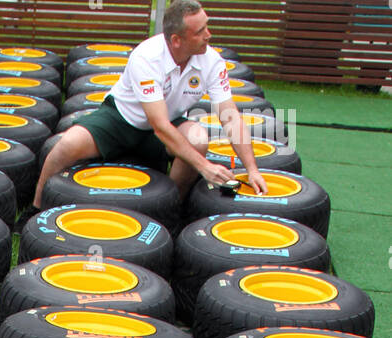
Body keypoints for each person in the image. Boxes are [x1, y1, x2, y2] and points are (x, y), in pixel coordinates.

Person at [32, 0, 268, 211]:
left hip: (168, 120)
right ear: (177, 40)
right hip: (122, 119)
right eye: (200, 31)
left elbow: (230, 117)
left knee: (198, 139)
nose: (209, 34)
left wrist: (252, 169)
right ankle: (36, 205)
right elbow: (159, 126)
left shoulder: (212, 62)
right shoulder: (147, 56)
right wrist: (205, 168)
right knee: (67, 144)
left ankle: (169, 208)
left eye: (207, 26)